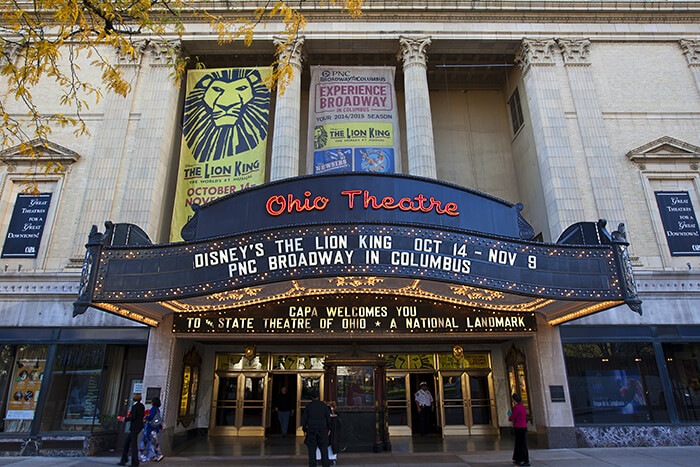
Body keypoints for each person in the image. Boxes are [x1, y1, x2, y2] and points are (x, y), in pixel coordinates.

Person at [300, 389, 331, 467]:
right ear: (318, 396)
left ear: (311, 397)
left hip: (312, 429)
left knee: (312, 451)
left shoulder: (308, 406)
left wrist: (304, 429)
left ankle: (312, 465)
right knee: (324, 450)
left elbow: (304, 418)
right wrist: (329, 428)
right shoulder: (323, 405)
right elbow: (328, 417)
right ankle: (325, 465)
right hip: (322, 429)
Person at [119, 393, 145, 466]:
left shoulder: (135, 406)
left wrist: (125, 419)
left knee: (133, 444)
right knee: (127, 442)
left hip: (134, 427)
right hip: (139, 426)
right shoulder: (142, 406)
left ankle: (135, 462)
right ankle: (124, 460)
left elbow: (133, 417)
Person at [139, 397, 164, 462]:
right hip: (154, 429)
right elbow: (158, 418)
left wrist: (145, 417)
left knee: (150, 442)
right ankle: (155, 454)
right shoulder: (157, 409)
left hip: (151, 428)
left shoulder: (153, 409)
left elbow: (151, 417)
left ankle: (149, 455)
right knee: (153, 442)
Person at [509, 393, 529, 466]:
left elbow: (511, 418)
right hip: (524, 427)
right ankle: (519, 459)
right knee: (522, 444)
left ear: (514, 400)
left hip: (518, 427)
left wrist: (510, 416)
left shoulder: (516, 408)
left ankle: (524, 460)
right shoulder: (523, 407)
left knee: (520, 444)